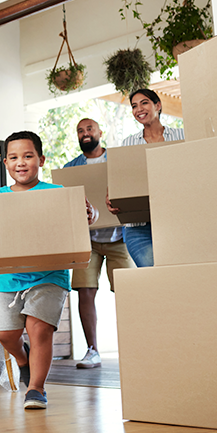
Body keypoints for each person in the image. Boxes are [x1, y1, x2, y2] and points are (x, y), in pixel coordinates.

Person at [0, 131, 97, 410]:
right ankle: (23, 359)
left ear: (41, 159)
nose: (21, 163)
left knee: (39, 330)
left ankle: (36, 389)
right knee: (6, 334)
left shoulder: (56, 193)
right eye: (14, 158)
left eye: (28, 156)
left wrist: (90, 215)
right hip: (9, 276)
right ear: (5, 164)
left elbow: (86, 215)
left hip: (50, 275)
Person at [63, 118, 134, 369]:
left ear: (100, 132)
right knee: (85, 291)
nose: (84, 134)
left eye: (89, 129)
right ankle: (92, 350)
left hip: (120, 238)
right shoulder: (70, 168)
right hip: (88, 241)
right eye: (80, 131)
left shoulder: (116, 160)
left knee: (128, 292)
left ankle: (133, 347)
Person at [106, 88, 185, 267]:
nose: (138, 109)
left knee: (177, 272)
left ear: (158, 105)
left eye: (144, 103)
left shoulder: (181, 136)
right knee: (153, 273)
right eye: (134, 106)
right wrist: (112, 194)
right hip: (139, 227)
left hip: (175, 220)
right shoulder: (129, 143)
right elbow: (121, 178)